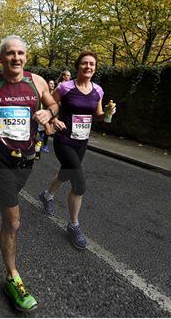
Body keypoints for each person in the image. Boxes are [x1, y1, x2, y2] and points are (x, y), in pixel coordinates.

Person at [0, 36, 58, 312]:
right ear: (1, 58)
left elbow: (53, 105)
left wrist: (49, 114)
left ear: (26, 56)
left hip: (28, 157)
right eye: (10, 53)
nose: (16, 58)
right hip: (1, 158)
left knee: (6, 198)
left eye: (20, 53)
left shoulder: (38, 82)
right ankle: (13, 277)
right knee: (15, 220)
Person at [38, 51, 115, 250]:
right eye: (84, 63)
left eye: (92, 64)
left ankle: (46, 195)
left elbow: (97, 115)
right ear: (77, 66)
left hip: (82, 141)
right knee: (79, 184)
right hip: (64, 140)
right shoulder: (65, 87)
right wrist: (54, 120)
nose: (88, 67)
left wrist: (106, 113)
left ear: (95, 68)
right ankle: (74, 225)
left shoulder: (98, 90)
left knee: (65, 174)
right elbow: (50, 106)